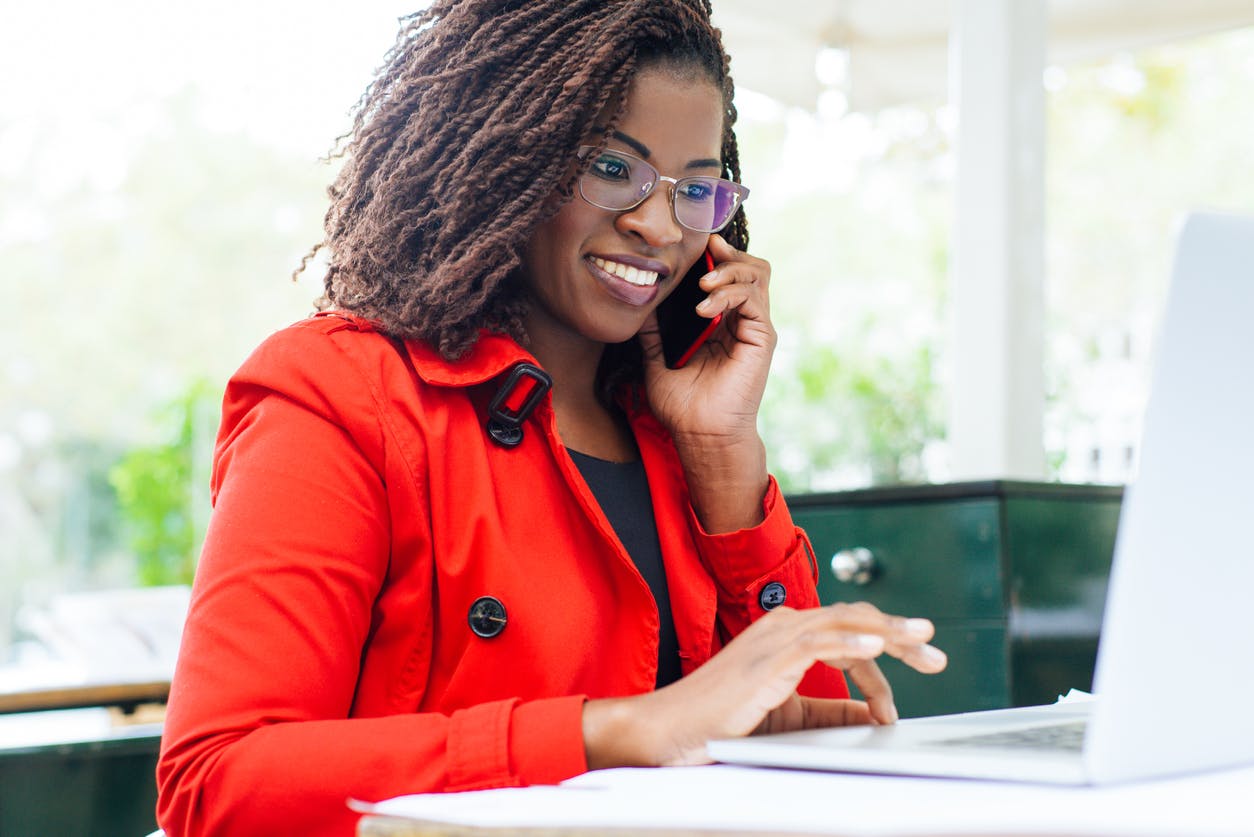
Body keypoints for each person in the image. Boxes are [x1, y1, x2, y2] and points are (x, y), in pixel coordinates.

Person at [155, 1, 947, 834]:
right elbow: (219, 782)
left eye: (696, 190)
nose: (655, 225)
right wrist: (615, 727)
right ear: (502, 154)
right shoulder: (344, 390)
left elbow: (808, 749)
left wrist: (724, 456)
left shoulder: (675, 428)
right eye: (612, 166)